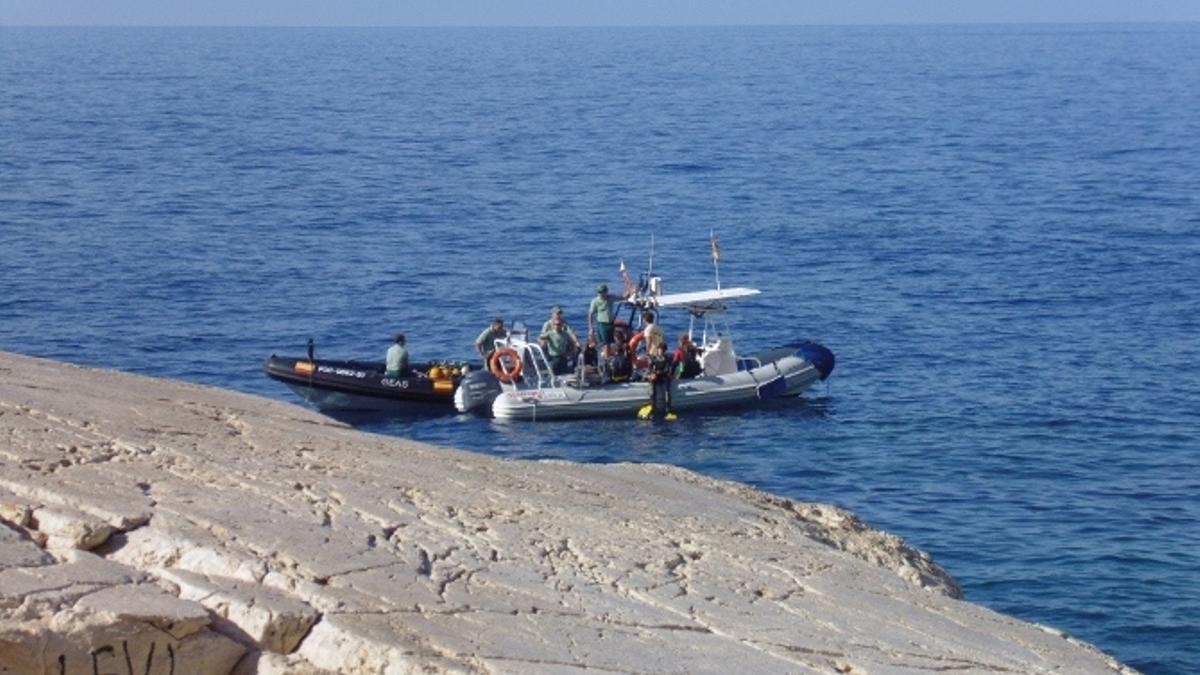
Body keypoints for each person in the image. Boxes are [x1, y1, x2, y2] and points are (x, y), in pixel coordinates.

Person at [539, 306, 580, 375]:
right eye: (557, 313)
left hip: (562, 341)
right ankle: (548, 361)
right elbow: (542, 336)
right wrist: (543, 342)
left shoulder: (563, 322)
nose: (558, 315)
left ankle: (572, 363)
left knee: (574, 345)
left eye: (559, 314)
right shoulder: (547, 324)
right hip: (552, 344)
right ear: (552, 314)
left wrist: (576, 342)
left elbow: (570, 332)